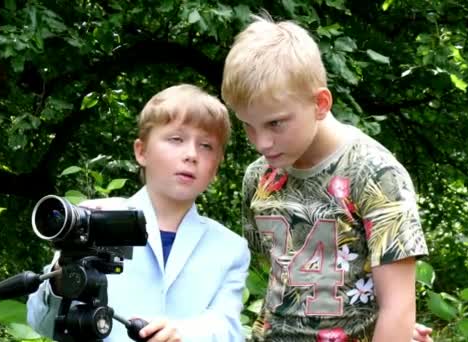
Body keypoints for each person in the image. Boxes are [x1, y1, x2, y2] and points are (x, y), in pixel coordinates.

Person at [221, 15, 430, 342]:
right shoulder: (257, 177)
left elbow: (398, 309)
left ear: (320, 103)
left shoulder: (375, 174)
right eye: (248, 125)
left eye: (276, 123)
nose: (261, 142)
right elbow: (279, 274)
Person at [27, 84, 251, 342]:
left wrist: (185, 333)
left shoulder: (231, 248)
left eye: (206, 146)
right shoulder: (93, 219)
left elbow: (229, 329)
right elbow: (41, 321)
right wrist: (62, 274)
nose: (191, 154)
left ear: (216, 167)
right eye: (176, 139)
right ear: (141, 151)